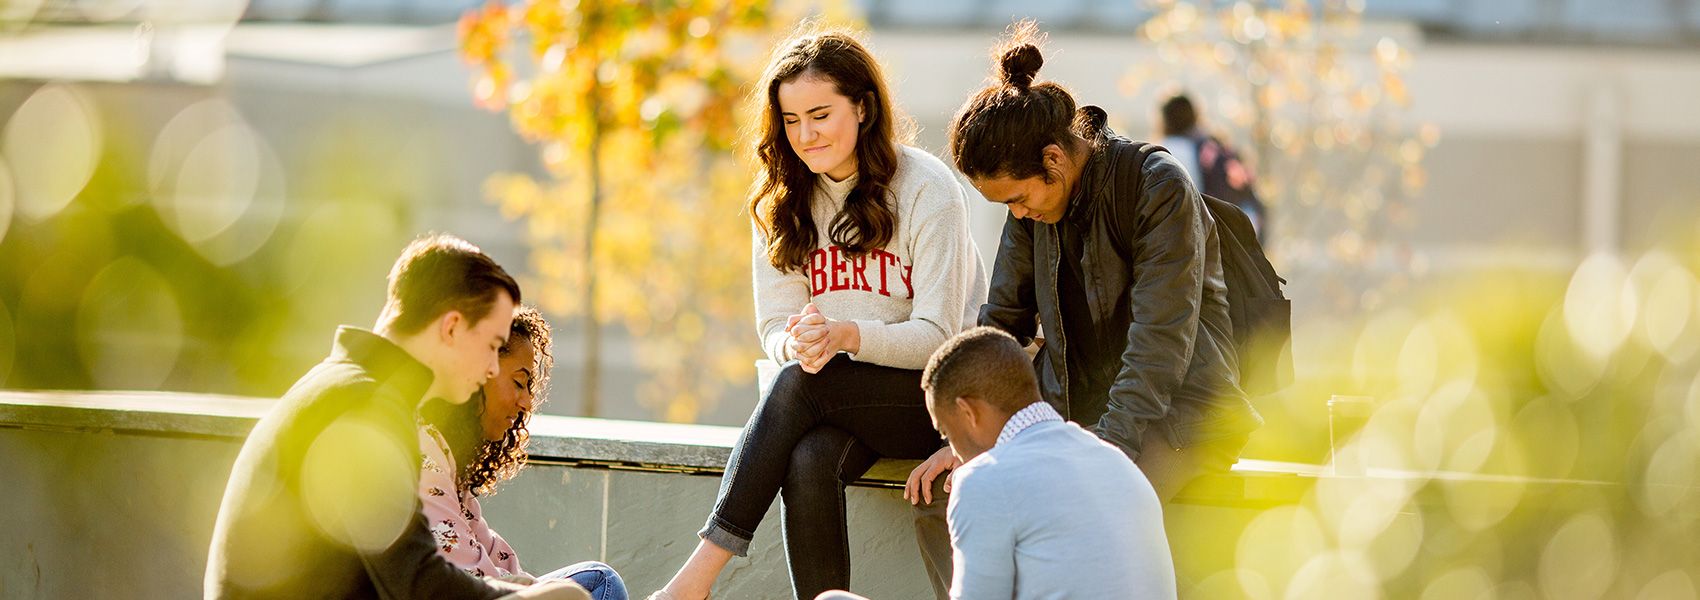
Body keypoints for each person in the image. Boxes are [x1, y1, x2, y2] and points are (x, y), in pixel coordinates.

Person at [906, 22, 1262, 594]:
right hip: (1074, 416)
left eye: (1018, 198)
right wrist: (959, 442)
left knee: (1080, 511)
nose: (1016, 216)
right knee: (939, 503)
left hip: (1178, 414)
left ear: (1053, 160)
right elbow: (1001, 323)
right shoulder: (1033, 209)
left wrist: (1096, 453)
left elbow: (1160, 344)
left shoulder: (1156, 186)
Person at [651, 26, 987, 600]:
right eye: (789, 120)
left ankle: (695, 579)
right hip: (835, 393)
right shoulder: (783, 201)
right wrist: (800, 341)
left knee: (800, 387)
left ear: (863, 107)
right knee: (808, 457)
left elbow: (939, 337)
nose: (805, 135)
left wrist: (847, 334)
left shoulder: (928, 189)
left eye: (820, 114)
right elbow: (773, 329)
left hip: (936, 399)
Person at [204, 233, 587, 600]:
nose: (491, 368)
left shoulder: (349, 387)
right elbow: (416, 585)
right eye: (492, 345)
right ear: (452, 327)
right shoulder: (365, 408)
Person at [822, 327, 1177, 600]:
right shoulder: (1115, 460)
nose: (954, 453)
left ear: (968, 411)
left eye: (947, 432)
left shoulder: (984, 480)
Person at [418, 305, 627, 600]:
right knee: (599, 585)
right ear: (480, 371)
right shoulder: (423, 449)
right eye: (519, 382)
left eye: (529, 386)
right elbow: (468, 573)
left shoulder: (449, 461)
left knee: (595, 580)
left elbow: (493, 555)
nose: (527, 402)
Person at [1159, 93, 1268, 241]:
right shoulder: (1213, 145)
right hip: (1241, 231)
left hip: (1210, 238)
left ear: (1164, 120)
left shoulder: (1173, 149)